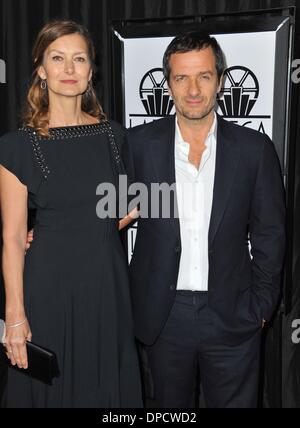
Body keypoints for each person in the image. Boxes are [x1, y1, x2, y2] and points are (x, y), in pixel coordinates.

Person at [125, 32, 286, 408]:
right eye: (181, 78)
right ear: (168, 84)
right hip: (164, 317)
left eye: (204, 76)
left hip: (233, 313)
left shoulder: (254, 149)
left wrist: (261, 308)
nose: (193, 90)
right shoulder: (138, 145)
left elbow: (270, 235)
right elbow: (108, 212)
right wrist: (47, 232)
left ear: (221, 80)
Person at [0, 20, 142, 408]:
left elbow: (131, 205)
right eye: (57, 59)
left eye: (78, 59)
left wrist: (95, 228)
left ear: (91, 70)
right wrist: (14, 316)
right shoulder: (16, 146)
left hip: (106, 288)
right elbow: (12, 236)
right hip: (48, 290)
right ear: (41, 70)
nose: (68, 69)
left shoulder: (115, 137)